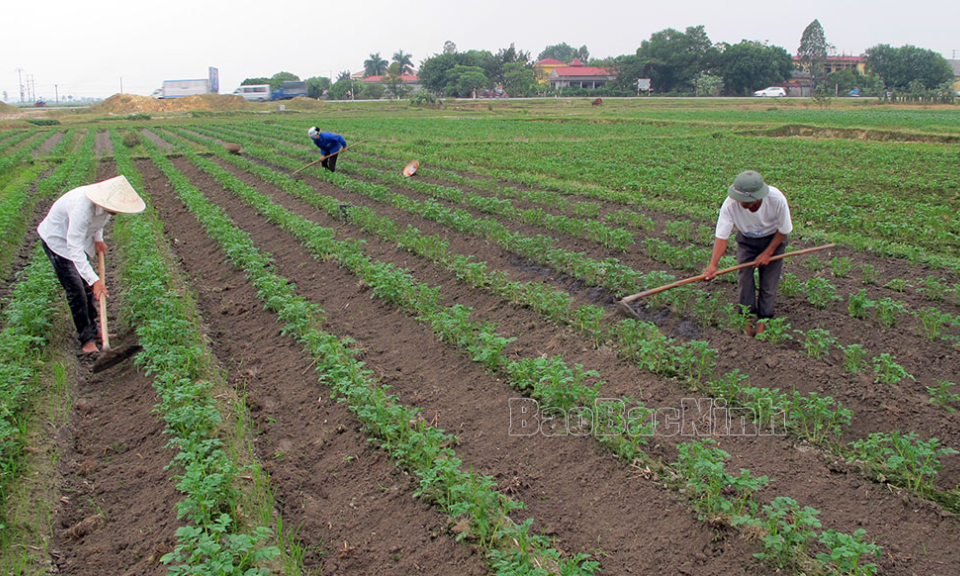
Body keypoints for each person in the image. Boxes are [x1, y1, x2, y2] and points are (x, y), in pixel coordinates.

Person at [37, 175, 146, 354]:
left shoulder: (106, 205)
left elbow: (98, 222)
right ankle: (86, 339)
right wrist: (95, 280)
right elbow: (73, 246)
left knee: (87, 288)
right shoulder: (82, 209)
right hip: (58, 242)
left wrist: (98, 239)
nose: (117, 211)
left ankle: (95, 330)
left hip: (77, 241)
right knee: (76, 290)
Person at [702, 170, 793, 337]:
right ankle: (747, 318)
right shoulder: (730, 204)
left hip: (773, 240)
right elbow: (722, 237)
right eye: (739, 200)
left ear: (757, 198)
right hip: (747, 241)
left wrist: (767, 253)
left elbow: (783, 230)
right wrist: (713, 265)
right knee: (745, 280)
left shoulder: (776, 199)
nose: (741, 204)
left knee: (768, 284)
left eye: (746, 201)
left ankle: (764, 320)